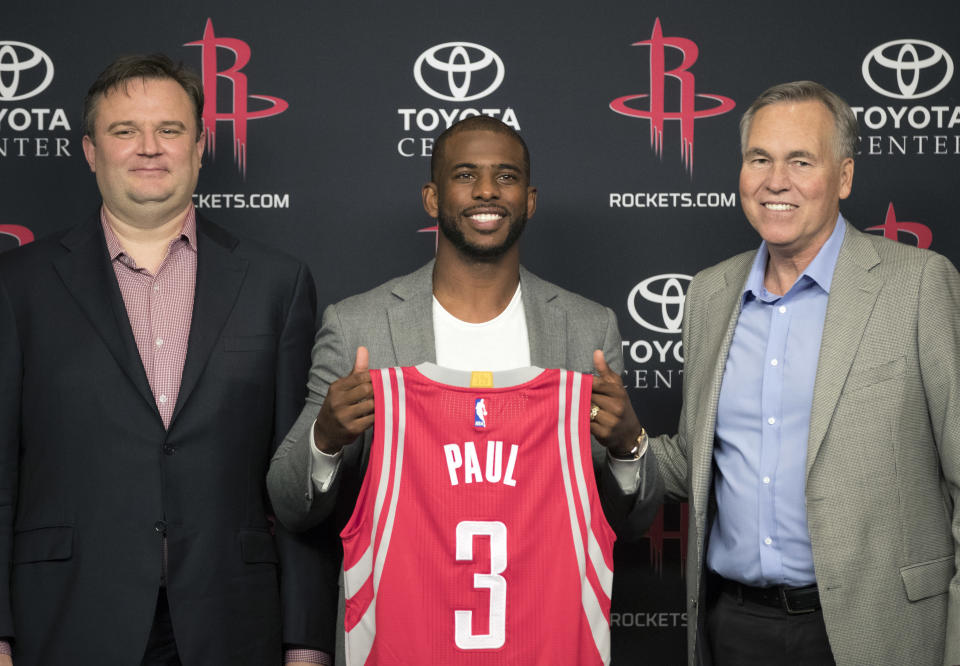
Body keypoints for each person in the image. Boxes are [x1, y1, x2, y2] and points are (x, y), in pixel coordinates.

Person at [267, 116, 662, 663]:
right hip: (405, 644)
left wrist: (628, 449)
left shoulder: (586, 329)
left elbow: (630, 520)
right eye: (465, 175)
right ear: (432, 198)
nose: (485, 191)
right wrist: (326, 438)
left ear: (529, 200)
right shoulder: (358, 326)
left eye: (505, 177)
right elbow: (289, 502)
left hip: (539, 644)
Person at [0, 54, 326, 665]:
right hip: (67, 617)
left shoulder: (277, 284)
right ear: (91, 150)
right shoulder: (16, 285)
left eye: (170, 130)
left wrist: (305, 636)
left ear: (200, 147)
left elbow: (297, 481)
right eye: (125, 131)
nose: (150, 148)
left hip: (232, 620)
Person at [649, 81, 959, 666]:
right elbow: (695, 459)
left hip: (878, 632)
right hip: (732, 627)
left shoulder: (917, 285)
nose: (775, 180)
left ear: (843, 178)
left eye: (800, 161)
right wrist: (622, 440)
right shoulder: (711, 293)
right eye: (759, 159)